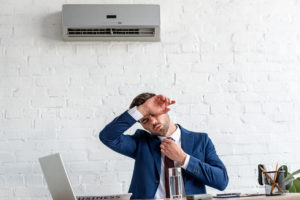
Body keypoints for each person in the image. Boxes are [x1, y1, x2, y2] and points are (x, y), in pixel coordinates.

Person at [99, 93, 228, 199]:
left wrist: (183, 159)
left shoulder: (201, 140)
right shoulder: (141, 142)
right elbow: (107, 137)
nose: (153, 122)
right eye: (145, 120)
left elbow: (221, 181)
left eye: (154, 114)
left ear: (165, 109)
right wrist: (142, 109)